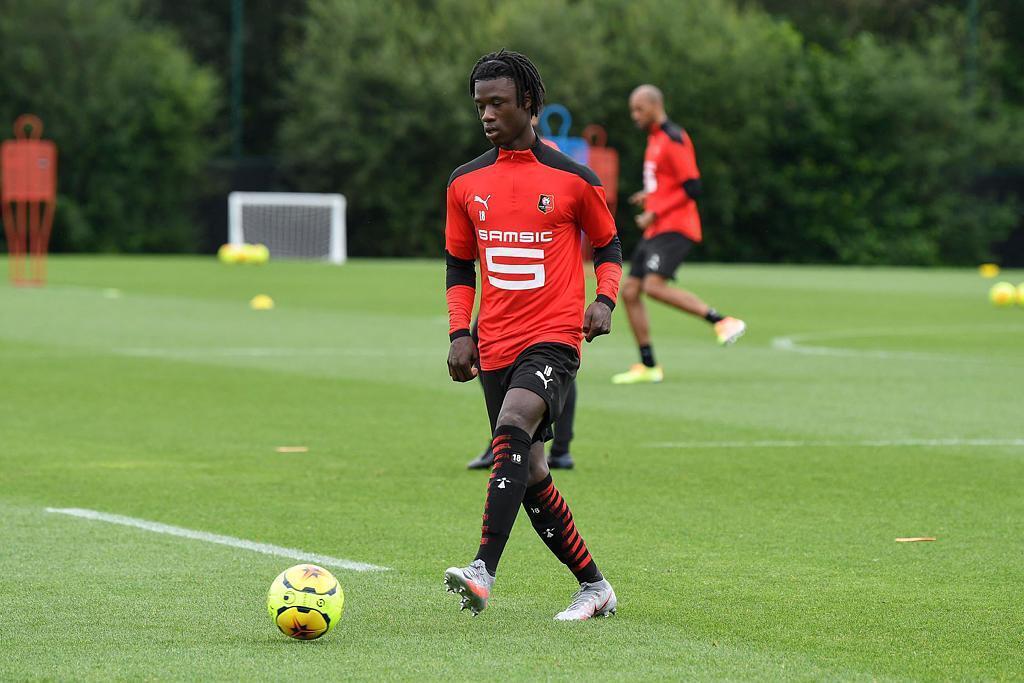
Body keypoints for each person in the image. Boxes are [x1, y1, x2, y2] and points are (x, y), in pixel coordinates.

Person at [443, 49, 621, 620]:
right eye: (480, 105)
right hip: (493, 341)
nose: (488, 114)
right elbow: (458, 265)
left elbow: (610, 247)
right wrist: (458, 333)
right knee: (532, 471)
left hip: (553, 338)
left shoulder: (574, 180)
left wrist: (603, 299)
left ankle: (481, 570)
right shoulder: (465, 182)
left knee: (514, 421)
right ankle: (595, 587)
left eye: (498, 103)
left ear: (529, 103)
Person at [612, 84, 746, 385]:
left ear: (654, 106)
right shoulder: (655, 139)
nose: (634, 116)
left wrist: (656, 211)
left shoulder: (673, 138)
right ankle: (648, 366)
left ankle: (722, 320)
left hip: (675, 227)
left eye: (638, 109)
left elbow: (692, 187)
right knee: (630, 291)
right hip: (658, 228)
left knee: (653, 287)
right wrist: (649, 196)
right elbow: (668, 185)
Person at [466, 120, 577, 472]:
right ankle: (504, 439)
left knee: (554, 363)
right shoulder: (494, 165)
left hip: (547, 286)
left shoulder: (554, 161)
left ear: (530, 114)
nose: (490, 116)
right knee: (482, 344)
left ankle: (559, 446)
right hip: (508, 287)